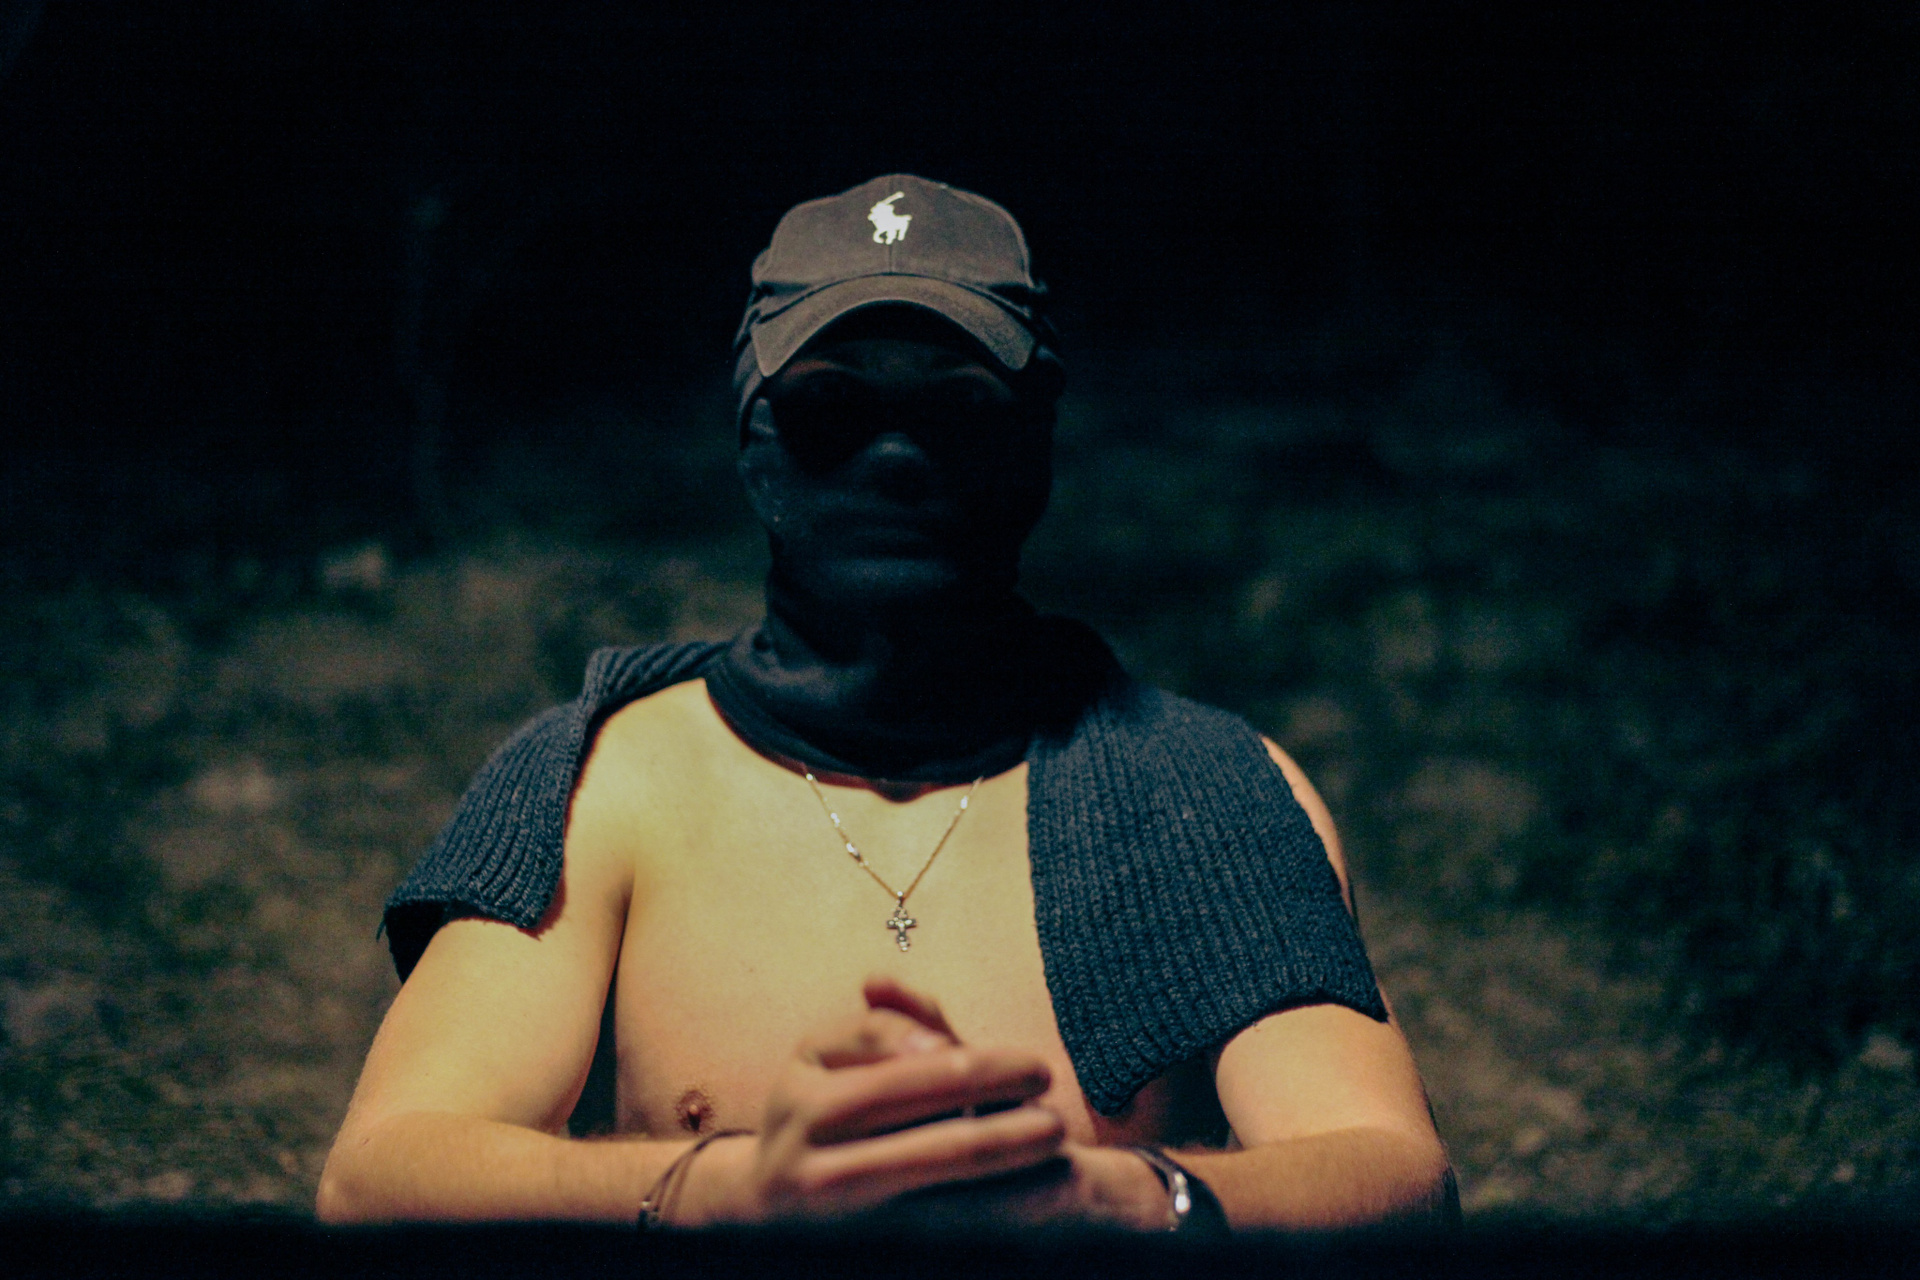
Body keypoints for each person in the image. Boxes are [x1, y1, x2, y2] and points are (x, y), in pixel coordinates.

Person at [316, 174, 1456, 1234]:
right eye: (832, 407)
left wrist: (1109, 1196)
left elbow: (1397, 1174)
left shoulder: (1200, 789)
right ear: (755, 438)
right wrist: (729, 1187)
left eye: (958, 410)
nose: (899, 458)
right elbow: (378, 1172)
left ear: (1033, 441)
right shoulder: (606, 779)